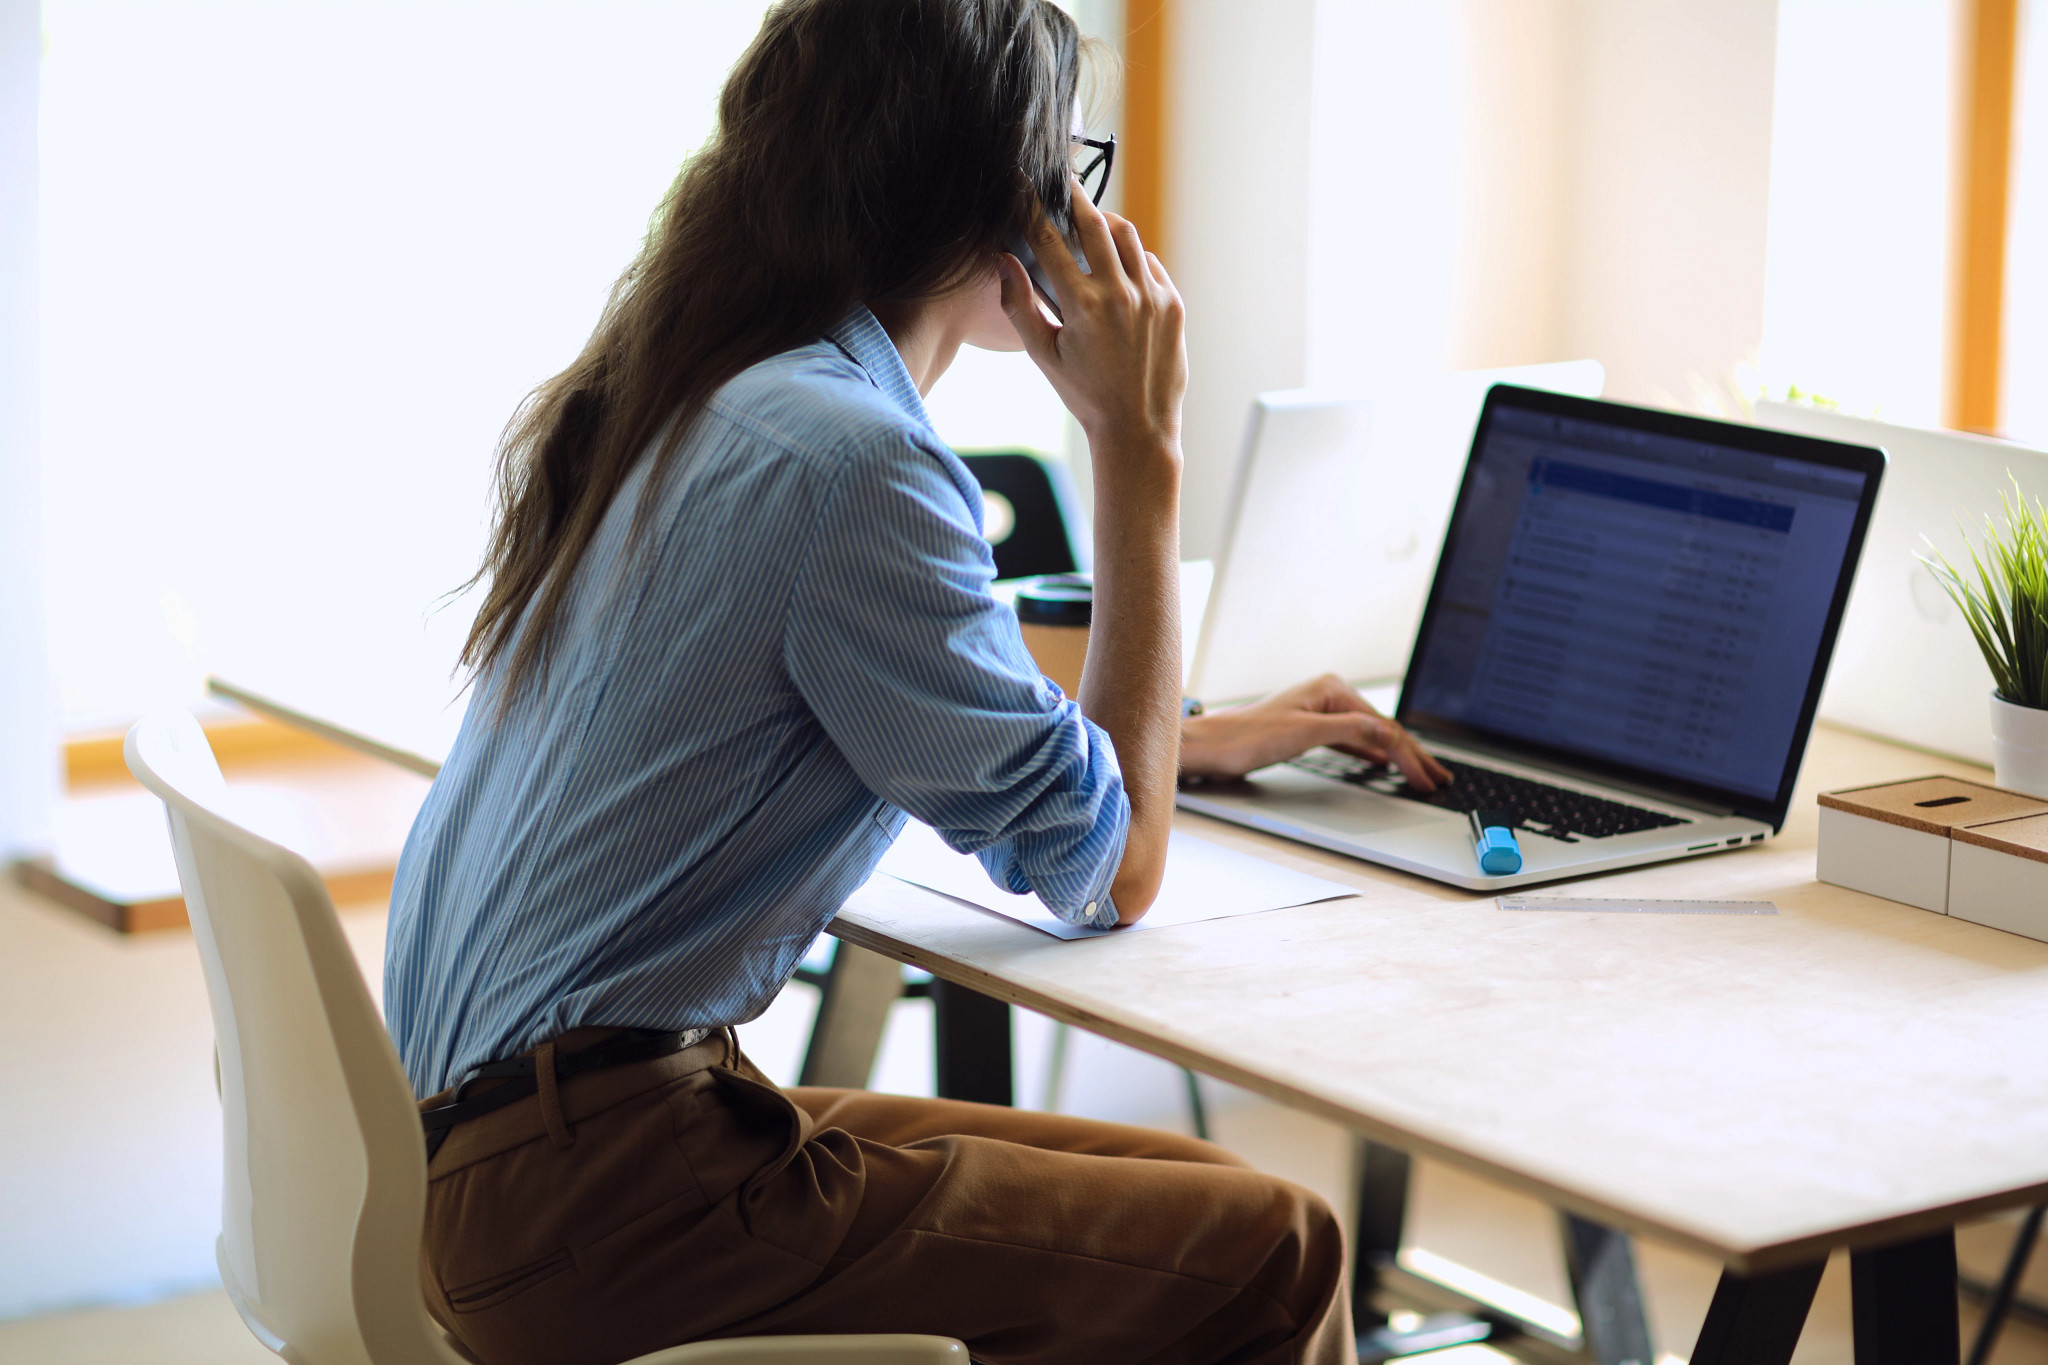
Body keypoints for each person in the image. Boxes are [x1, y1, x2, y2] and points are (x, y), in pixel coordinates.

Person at [385, 3, 1446, 1363]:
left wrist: (1187, 738)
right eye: (1071, 163)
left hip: (491, 1164)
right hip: (599, 1201)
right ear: (1005, 199)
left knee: (1229, 1207)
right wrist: (1139, 450)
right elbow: (1108, 868)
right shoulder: (854, 461)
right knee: (1274, 1253)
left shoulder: (719, 391)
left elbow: (938, 703)